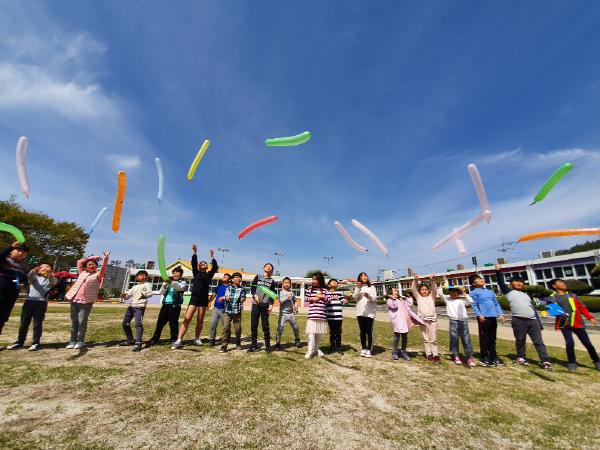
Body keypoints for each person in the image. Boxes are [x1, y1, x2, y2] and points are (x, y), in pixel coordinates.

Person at [495, 265, 552, 370]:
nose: (519, 283)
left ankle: (545, 360)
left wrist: (539, 323)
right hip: (518, 319)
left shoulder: (526, 295)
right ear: (511, 284)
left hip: (532, 320)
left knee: (538, 341)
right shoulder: (509, 292)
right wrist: (498, 271)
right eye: (516, 281)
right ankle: (521, 357)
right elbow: (500, 282)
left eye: (521, 282)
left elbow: (532, 309)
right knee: (520, 340)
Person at [544, 278, 599, 372]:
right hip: (564, 325)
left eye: (564, 282)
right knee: (570, 343)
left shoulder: (572, 295)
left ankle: (597, 361)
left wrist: (590, 318)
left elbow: (582, 307)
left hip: (578, 323)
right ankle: (572, 362)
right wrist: (559, 313)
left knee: (587, 343)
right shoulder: (551, 298)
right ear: (554, 286)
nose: (563, 284)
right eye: (560, 282)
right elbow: (551, 310)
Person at [171, 245, 217, 350]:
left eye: (205, 263)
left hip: (203, 300)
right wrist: (194, 253)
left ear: (207, 267)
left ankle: (197, 338)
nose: (203, 263)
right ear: (199, 266)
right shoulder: (196, 273)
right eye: (201, 263)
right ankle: (179, 340)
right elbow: (193, 263)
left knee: (200, 320)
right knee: (187, 319)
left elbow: (215, 267)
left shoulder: (209, 275)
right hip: (194, 298)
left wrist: (212, 257)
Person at [65, 252, 110, 350]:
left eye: (94, 264)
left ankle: (80, 341)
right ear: (85, 267)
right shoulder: (82, 273)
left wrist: (106, 258)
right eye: (89, 264)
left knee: (82, 321)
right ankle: (72, 341)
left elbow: (103, 268)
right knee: (74, 321)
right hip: (74, 299)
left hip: (86, 301)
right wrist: (92, 258)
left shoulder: (97, 275)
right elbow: (79, 262)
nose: (92, 266)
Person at [7, 263, 56, 351]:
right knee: (24, 323)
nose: (44, 268)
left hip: (41, 303)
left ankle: (36, 343)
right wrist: (34, 270)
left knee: (37, 323)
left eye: (47, 267)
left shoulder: (51, 278)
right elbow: (29, 276)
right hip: (29, 301)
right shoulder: (35, 277)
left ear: (51, 269)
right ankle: (19, 342)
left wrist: (49, 274)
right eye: (42, 267)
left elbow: (54, 282)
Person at [470, 274, 505, 367]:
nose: (481, 280)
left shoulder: (490, 292)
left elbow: (496, 303)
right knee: (484, 338)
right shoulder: (473, 293)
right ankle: (484, 357)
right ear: (473, 283)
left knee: (492, 338)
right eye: (478, 279)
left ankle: (493, 357)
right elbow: (474, 305)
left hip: (493, 317)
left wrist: (500, 314)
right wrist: (479, 315)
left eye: (481, 278)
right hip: (483, 318)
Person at [437, 284, 475, 367]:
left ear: (458, 293)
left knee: (466, 339)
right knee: (454, 338)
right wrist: (441, 285)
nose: (453, 293)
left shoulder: (462, 300)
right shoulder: (447, 299)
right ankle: (456, 356)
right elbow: (440, 293)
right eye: (451, 292)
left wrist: (464, 292)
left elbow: (471, 301)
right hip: (453, 321)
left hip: (463, 321)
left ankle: (469, 357)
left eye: (455, 292)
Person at [148, 266, 187, 346]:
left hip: (175, 306)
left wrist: (170, 282)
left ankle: (174, 339)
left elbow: (179, 288)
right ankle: (155, 339)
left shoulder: (182, 282)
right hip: (165, 305)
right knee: (160, 323)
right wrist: (165, 286)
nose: (175, 274)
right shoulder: (167, 282)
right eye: (174, 273)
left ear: (181, 274)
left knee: (173, 323)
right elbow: (161, 292)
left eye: (177, 273)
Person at [0, 242, 29, 341]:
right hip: (1, 293)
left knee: (2, 319)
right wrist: (11, 247)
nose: (21, 253)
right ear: (12, 252)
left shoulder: (24, 267)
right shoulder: (4, 261)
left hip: (11, 297)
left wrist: (24, 284)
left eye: (24, 252)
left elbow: (25, 280)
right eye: (18, 251)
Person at [386, 287, 424, 361]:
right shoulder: (389, 300)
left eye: (396, 291)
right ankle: (395, 352)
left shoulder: (401, 300)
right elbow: (394, 306)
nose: (396, 292)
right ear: (390, 293)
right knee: (396, 337)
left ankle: (403, 351)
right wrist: (393, 298)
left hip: (404, 321)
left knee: (404, 337)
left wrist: (408, 297)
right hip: (397, 321)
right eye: (394, 291)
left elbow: (409, 305)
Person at [120, 270, 153, 352]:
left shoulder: (147, 284)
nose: (143, 276)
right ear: (136, 277)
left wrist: (144, 295)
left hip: (140, 307)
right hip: (131, 307)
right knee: (125, 323)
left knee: (138, 324)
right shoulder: (134, 287)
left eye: (145, 275)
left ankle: (138, 343)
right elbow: (127, 296)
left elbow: (150, 294)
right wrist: (124, 295)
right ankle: (130, 339)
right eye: (141, 275)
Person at [412, 273, 441, 363]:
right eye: (422, 290)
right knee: (426, 339)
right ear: (419, 291)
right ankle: (428, 354)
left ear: (428, 291)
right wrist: (415, 280)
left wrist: (432, 280)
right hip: (423, 320)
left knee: (433, 338)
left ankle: (435, 354)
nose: (424, 291)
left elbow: (434, 289)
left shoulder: (432, 297)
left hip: (432, 320)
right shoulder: (418, 298)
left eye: (426, 289)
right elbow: (413, 289)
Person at [248, 263, 275, 353]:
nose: (268, 267)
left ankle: (268, 346)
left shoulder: (272, 281)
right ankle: (254, 345)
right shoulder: (258, 276)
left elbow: (272, 294)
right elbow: (252, 287)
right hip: (255, 304)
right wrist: (255, 295)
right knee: (254, 325)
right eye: (267, 266)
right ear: (263, 268)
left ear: (272, 270)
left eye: (270, 267)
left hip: (265, 305)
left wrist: (271, 304)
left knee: (265, 325)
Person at [304, 272, 329, 359]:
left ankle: (316, 349)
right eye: (313, 279)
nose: (313, 281)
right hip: (312, 315)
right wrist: (312, 298)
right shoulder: (310, 289)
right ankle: (309, 351)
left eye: (315, 279)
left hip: (321, 315)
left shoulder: (325, 290)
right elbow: (306, 299)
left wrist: (322, 296)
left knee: (318, 334)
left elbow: (328, 300)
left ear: (320, 280)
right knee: (311, 334)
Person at [353, 272, 377, 358]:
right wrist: (358, 288)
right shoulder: (357, 287)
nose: (364, 277)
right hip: (360, 312)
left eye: (365, 275)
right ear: (359, 278)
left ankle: (369, 349)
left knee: (369, 331)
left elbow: (374, 298)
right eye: (362, 276)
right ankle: (363, 348)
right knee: (362, 331)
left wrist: (368, 295)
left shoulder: (372, 287)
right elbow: (354, 298)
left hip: (370, 312)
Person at [220, 272, 246, 353]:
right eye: (236, 277)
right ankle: (224, 345)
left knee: (238, 329)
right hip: (228, 311)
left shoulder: (242, 289)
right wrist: (226, 297)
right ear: (232, 279)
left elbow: (243, 297)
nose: (238, 279)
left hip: (237, 312)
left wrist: (243, 299)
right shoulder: (229, 288)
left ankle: (238, 342)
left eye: (239, 277)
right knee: (225, 328)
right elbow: (227, 295)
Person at [274, 276, 301, 351]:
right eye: (285, 283)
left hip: (291, 314)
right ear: (282, 284)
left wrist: (296, 307)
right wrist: (287, 297)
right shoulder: (281, 292)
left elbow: (295, 301)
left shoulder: (292, 293)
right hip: (283, 314)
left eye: (288, 283)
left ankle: (297, 339)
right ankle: (278, 343)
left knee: (296, 327)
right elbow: (281, 301)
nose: (287, 284)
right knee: (280, 328)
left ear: (290, 284)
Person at [209, 273, 230, 346]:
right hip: (216, 308)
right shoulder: (219, 286)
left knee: (225, 326)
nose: (224, 277)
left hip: (225, 310)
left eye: (226, 277)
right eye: (224, 276)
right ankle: (212, 339)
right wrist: (209, 302)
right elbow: (214, 294)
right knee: (213, 324)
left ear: (229, 279)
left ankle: (226, 338)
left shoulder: (230, 287)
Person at [326, 278, 346, 353]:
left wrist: (346, 300)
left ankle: (338, 346)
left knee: (338, 332)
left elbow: (343, 302)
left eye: (335, 282)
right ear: (329, 285)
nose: (334, 282)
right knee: (332, 332)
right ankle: (332, 346)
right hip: (330, 316)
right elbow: (325, 304)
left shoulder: (339, 293)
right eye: (332, 282)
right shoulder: (327, 294)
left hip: (338, 317)